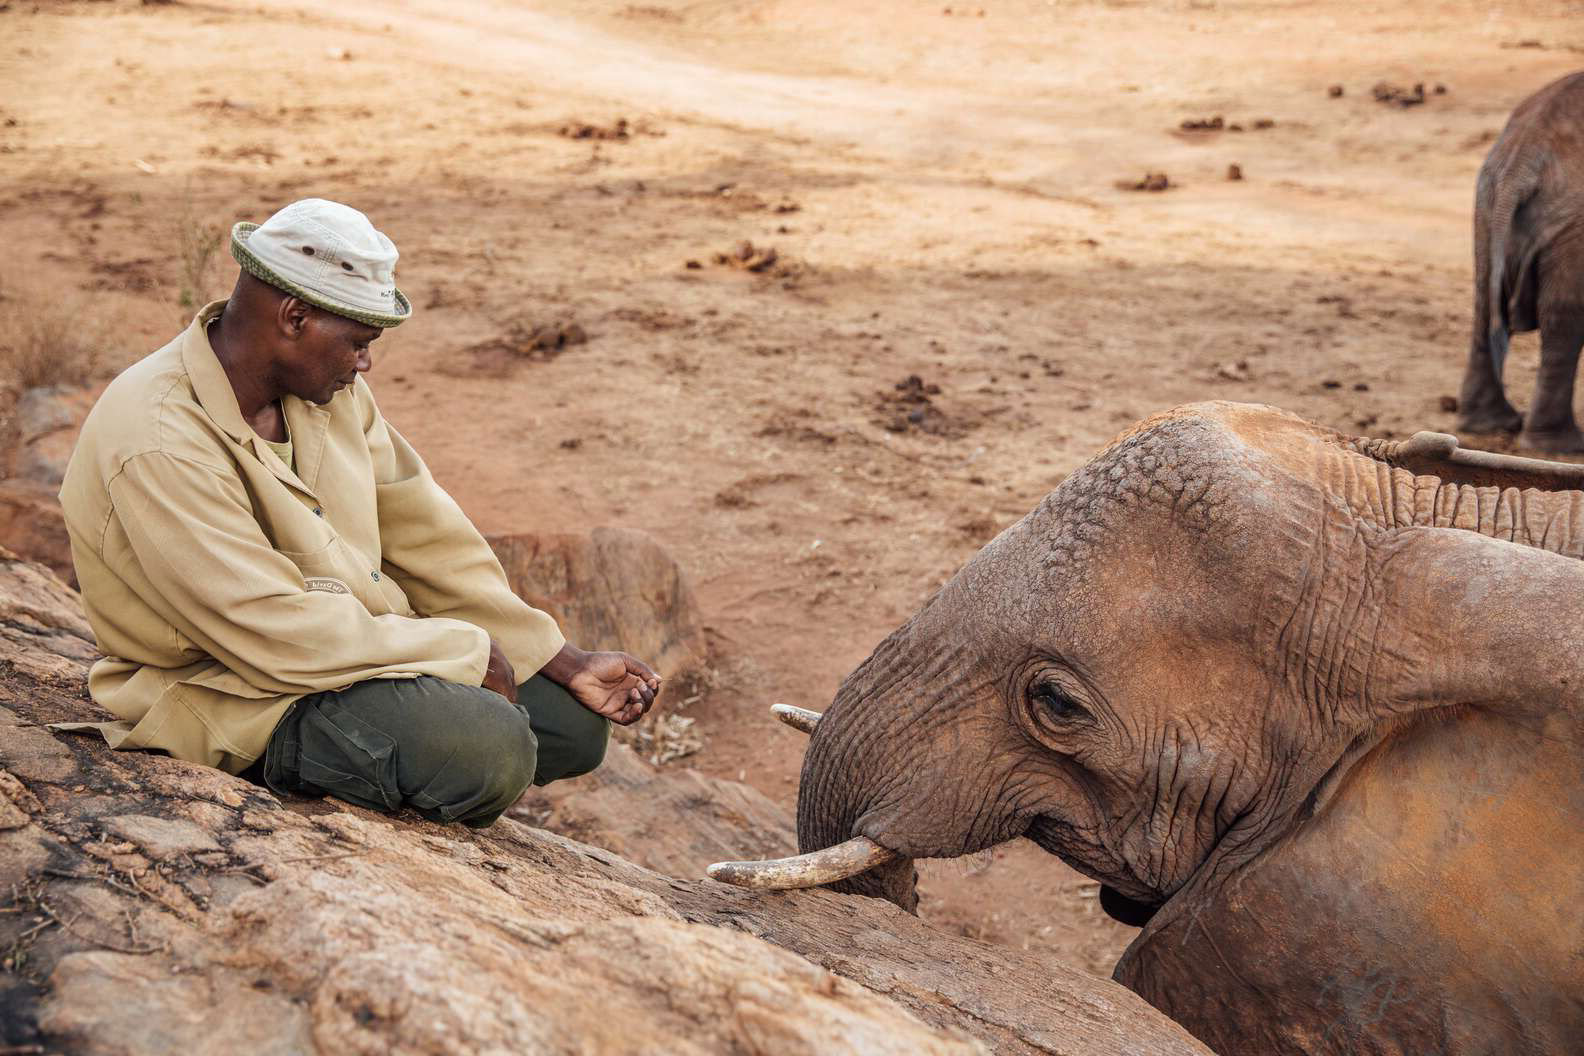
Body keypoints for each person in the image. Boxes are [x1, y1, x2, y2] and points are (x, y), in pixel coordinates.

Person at [58, 198, 660, 827]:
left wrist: (561, 659)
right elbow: (267, 627)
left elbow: (424, 534)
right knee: (490, 749)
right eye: (359, 342)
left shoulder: (324, 391)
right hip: (233, 685)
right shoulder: (158, 438)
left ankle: (399, 739)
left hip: (353, 641)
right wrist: (464, 651)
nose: (365, 363)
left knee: (571, 727)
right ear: (295, 317)